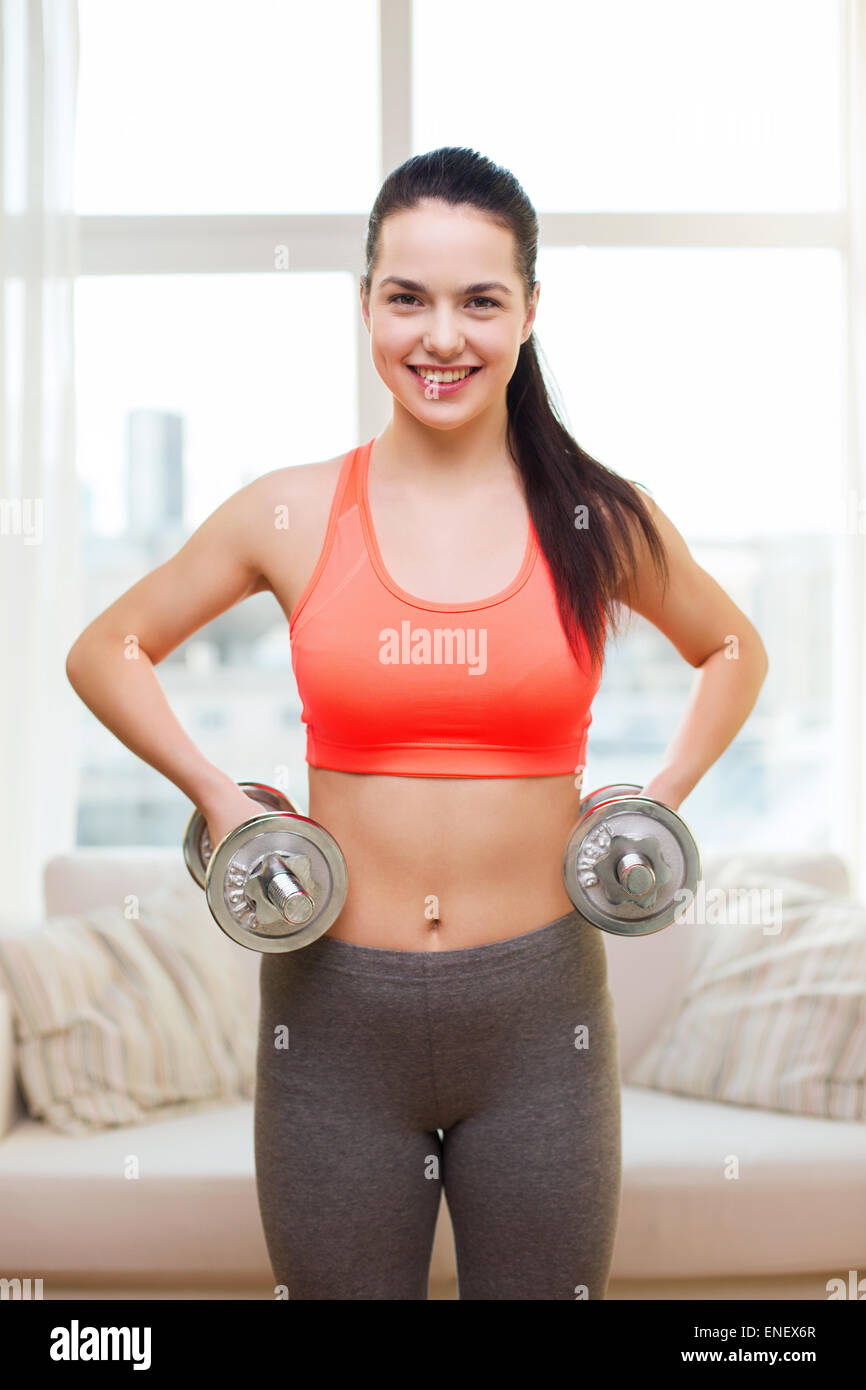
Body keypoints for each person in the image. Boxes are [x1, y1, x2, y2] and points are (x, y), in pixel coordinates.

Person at [65, 146, 769, 1300]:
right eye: (408, 298)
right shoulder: (289, 512)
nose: (441, 336)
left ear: (528, 312)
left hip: (539, 1022)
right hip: (331, 1019)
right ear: (365, 306)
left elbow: (731, 647)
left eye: (479, 300)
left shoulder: (593, 517)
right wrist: (218, 794)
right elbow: (107, 647)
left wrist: (659, 801)